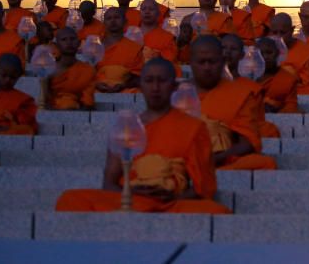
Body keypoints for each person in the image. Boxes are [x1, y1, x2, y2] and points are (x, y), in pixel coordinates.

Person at [55, 57, 230, 214]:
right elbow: (109, 183)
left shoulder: (193, 127)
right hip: (132, 200)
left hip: (172, 204)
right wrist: (132, 191)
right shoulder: (127, 127)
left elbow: (204, 188)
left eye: (162, 81)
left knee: (218, 211)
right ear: (140, 85)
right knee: (70, 199)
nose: (155, 88)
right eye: (149, 81)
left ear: (174, 86)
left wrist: (172, 195)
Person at [190, 36, 277, 170]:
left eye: (212, 62)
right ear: (191, 62)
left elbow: (247, 143)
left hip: (222, 160)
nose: (207, 67)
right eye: (201, 62)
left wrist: (217, 158)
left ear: (222, 61)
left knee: (266, 163)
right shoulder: (177, 93)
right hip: (183, 160)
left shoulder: (239, 93)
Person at [220, 34, 278, 138]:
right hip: (217, 130)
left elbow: (257, 120)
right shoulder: (209, 82)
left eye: (233, 49)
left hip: (243, 131)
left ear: (242, 55)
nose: (227, 52)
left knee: (269, 130)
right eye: (223, 48)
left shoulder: (253, 88)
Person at [269, 12, 309, 95]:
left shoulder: (308, 53)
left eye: (283, 32)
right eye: (274, 33)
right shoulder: (264, 51)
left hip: (299, 92)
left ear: (292, 30)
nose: (279, 37)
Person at [0, 54, 38, 135]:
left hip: (10, 138)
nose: (7, 80)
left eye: (13, 77)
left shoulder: (24, 100)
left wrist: (7, 127)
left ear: (19, 76)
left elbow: (28, 129)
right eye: (4, 75)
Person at [95, 7, 143, 93]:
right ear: (104, 23)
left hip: (125, 91)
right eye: (109, 18)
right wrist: (96, 84)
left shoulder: (134, 48)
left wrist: (123, 84)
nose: (113, 21)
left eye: (117, 17)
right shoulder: (94, 46)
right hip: (97, 90)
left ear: (125, 22)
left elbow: (138, 77)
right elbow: (86, 73)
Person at [47, 27, 96, 110]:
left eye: (72, 39)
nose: (69, 42)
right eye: (64, 39)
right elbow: (44, 101)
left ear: (79, 43)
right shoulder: (49, 70)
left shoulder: (88, 70)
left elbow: (88, 101)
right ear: (56, 45)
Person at [257, 37, 298, 113]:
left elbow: (291, 107)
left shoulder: (288, 79)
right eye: (261, 54)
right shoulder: (249, 77)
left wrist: (276, 106)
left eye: (269, 53)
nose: (265, 57)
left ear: (277, 53)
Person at [138, 0, 177, 65]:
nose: (147, 12)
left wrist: (154, 55)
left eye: (151, 9)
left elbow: (169, 61)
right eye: (143, 9)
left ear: (158, 14)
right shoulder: (131, 34)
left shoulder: (167, 38)